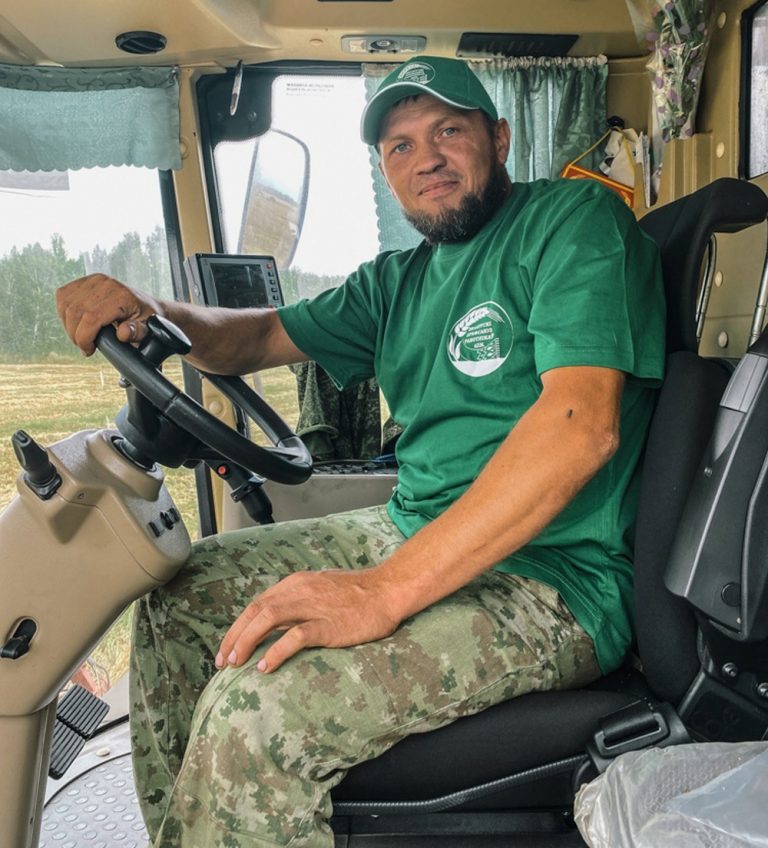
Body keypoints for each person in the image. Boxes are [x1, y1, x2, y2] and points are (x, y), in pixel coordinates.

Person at [56, 55, 666, 848]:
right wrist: (150, 309)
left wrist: (383, 591)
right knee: (181, 594)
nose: (427, 159)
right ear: (386, 172)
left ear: (500, 138)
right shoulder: (396, 282)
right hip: (409, 527)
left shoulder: (573, 222)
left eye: (448, 131)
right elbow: (254, 338)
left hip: (553, 578)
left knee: (257, 711)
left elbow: (581, 425)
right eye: (401, 146)